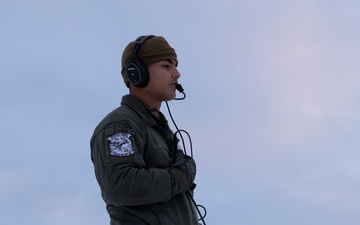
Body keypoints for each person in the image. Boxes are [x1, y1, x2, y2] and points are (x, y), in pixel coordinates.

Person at [90, 35, 200, 225]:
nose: (177, 73)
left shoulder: (160, 130)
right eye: (166, 66)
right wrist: (180, 177)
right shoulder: (119, 126)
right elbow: (121, 185)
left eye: (175, 65)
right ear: (136, 73)